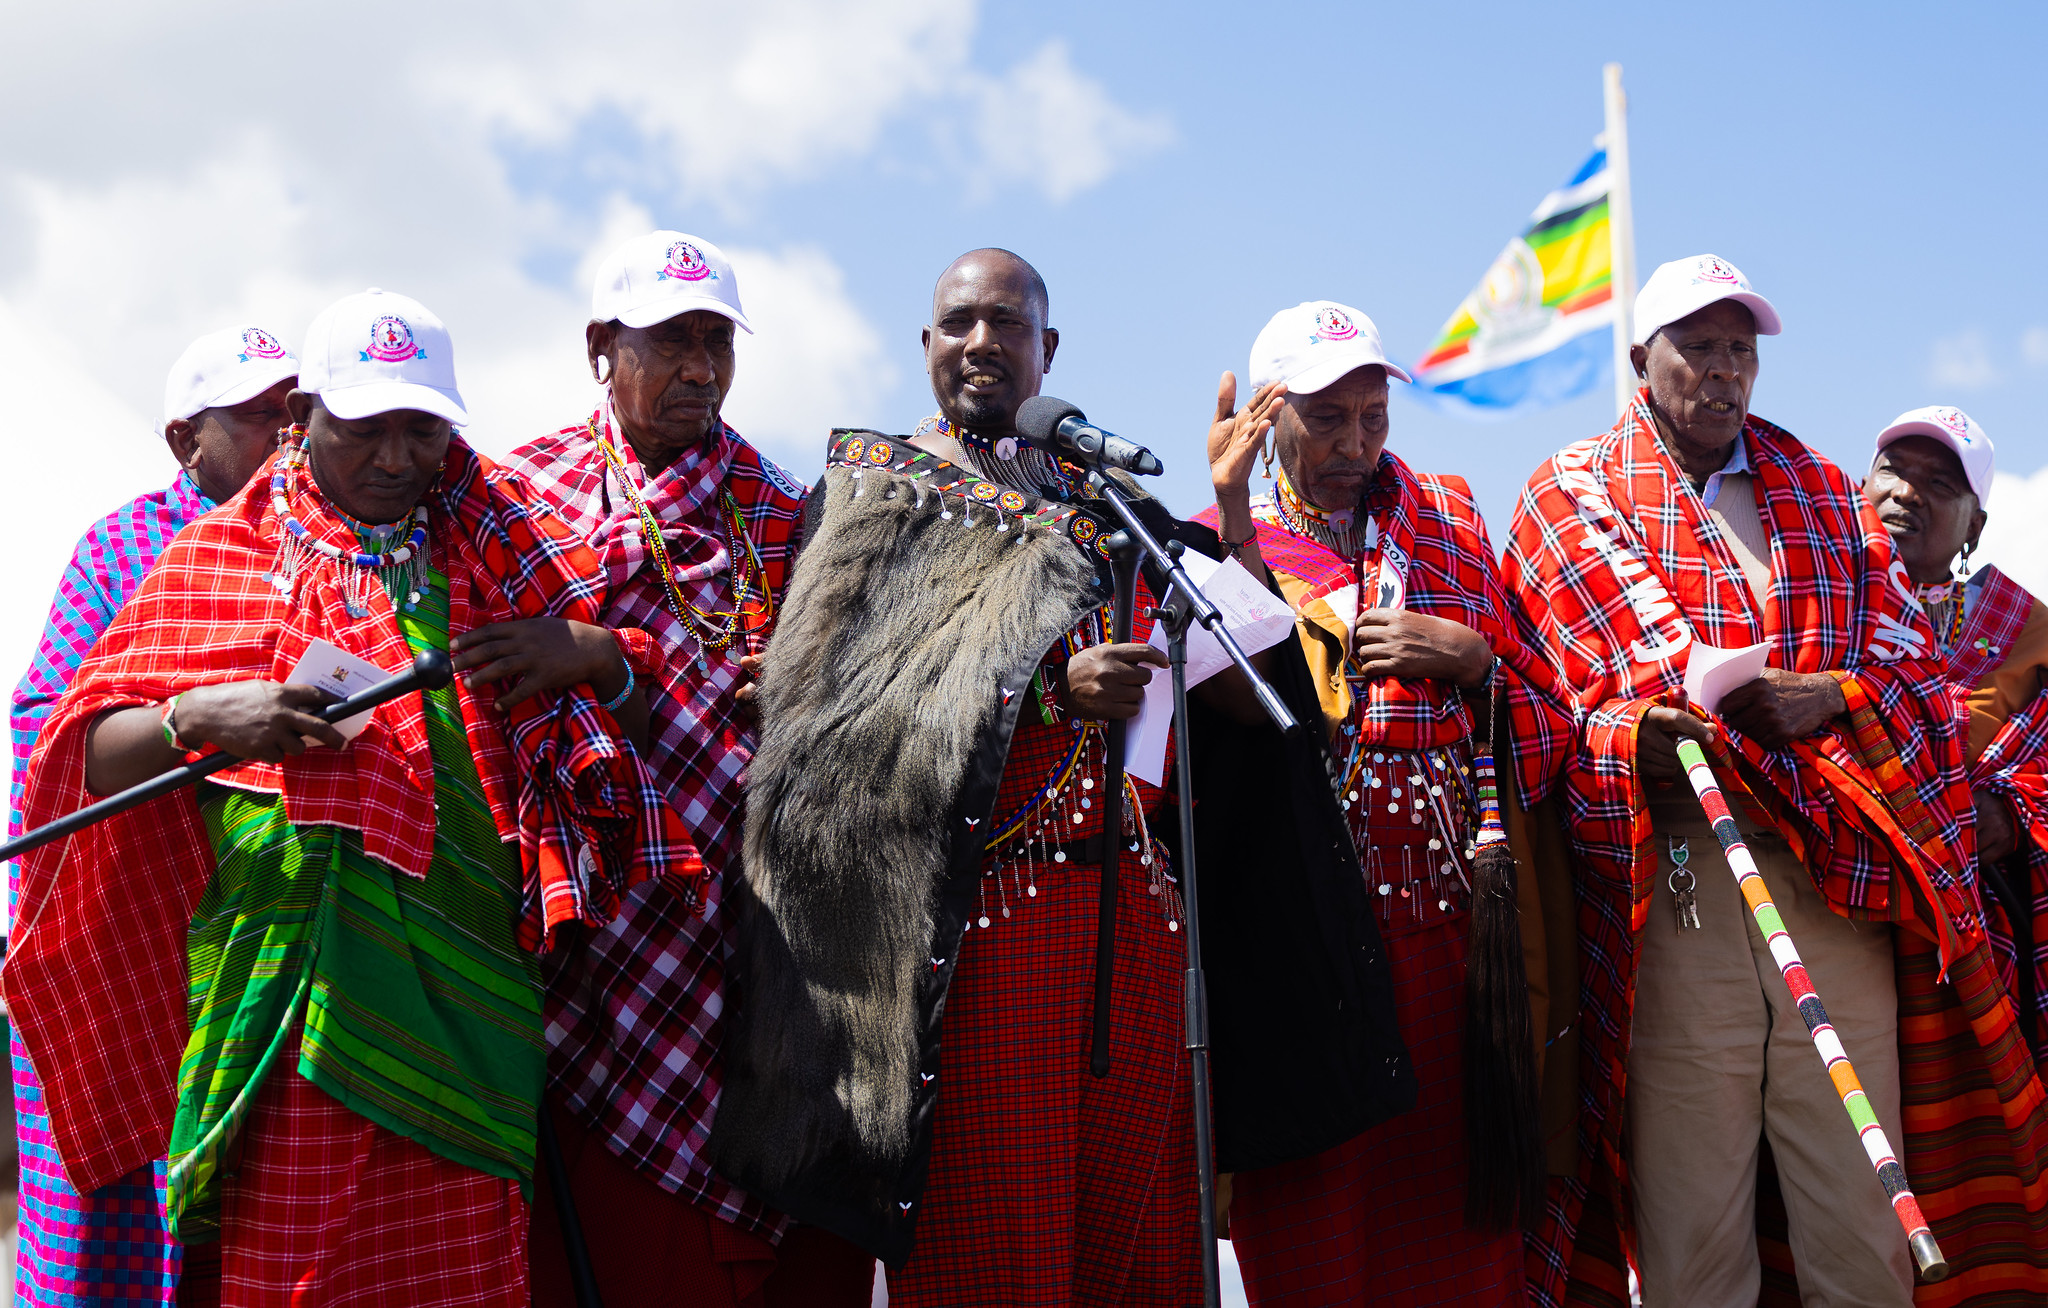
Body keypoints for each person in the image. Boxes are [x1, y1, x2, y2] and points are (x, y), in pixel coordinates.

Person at [4, 289, 687, 1305]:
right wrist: (199, 716)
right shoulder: (219, 556)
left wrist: (592, 655)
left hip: (471, 1006)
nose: (397, 459)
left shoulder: (504, 549)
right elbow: (80, 758)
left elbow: (631, 732)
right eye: (365, 430)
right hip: (282, 999)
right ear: (303, 419)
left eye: (423, 431)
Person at [1503, 255, 2048, 1306]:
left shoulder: (1823, 492)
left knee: (1860, 1221)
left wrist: (1826, 696)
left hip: (1829, 875)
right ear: (1641, 360)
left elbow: (1913, 680)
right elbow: (1537, 705)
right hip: (1674, 884)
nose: (1724, 371)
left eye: (1740, 350)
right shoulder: (1563, 495)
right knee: (1693, 1226)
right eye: (1698, 348)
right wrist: (1629, 733)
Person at [710, 248, 1203, 1304]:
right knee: (997, 1261)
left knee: (1131, 1267)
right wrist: (1049, 692)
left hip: (1128, 933)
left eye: (1007, 324)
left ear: (1047, 349)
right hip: (980, 939)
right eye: (960, 323)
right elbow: (829, 723)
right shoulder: (870, 496)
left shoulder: (1109, 502)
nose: (982, 343)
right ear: (927, 344)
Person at [504, 231, 870, 1306]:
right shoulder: (517, 497)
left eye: (718, 343)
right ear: (600, 348)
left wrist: (786, 687)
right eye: (672, 343)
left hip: (740, 942)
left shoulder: (786, 513)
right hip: (577, 938)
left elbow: (834, 718)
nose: (701, 370)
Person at [1196, 301, 1572, 1305]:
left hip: (1451, 947)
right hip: (1304, 947)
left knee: (1457, 1238)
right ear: (1267, 414)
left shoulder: (1449, 522)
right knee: (1313, 1236)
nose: (1356, 446)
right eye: (1326, 419)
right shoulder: (1210, 544)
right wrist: (1232, 518)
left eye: (1374, 417)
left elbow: (1551, 730)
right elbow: (1239, 723)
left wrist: (1473, 661)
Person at [6, 323, 296, 1307]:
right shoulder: (122, 551)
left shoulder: (327, 549)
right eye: (256, 417)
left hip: (270, 936)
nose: (285, 438)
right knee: (115, 1234)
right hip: (133, 938)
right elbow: (47, 741)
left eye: (296, 415)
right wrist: (191, 724)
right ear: (185, 441)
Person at [1864, 406, 2048, 1063]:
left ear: (1976, 524)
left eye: (1940, 484)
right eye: (1891, 471)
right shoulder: (1807, 603)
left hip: (1974, 937)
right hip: (1834, 917)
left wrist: (2014, 811)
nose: (1906, 493)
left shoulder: (2025, 630)